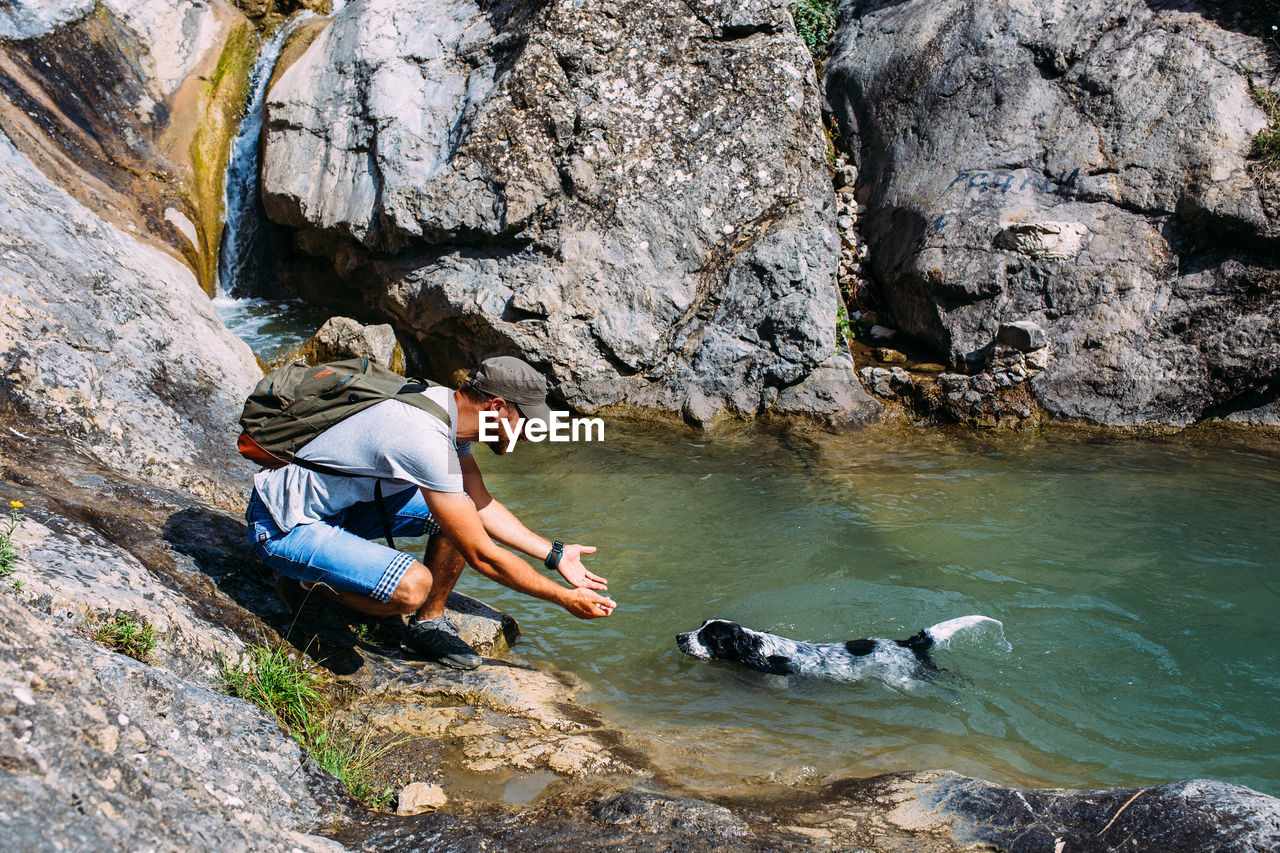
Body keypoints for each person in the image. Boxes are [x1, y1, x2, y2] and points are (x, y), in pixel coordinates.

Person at [244, 355, 616, 669]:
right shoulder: (425, 437)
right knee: (411, 588)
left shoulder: (448, 409)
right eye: (528, 424)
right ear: (497, 407)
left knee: (459, 510)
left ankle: (428, 624)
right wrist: (563, 598)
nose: (528, 436)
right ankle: (307, 589)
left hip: (341, 510)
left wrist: (554, 554)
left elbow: (480, 504)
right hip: (284, 526)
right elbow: (481, 555)